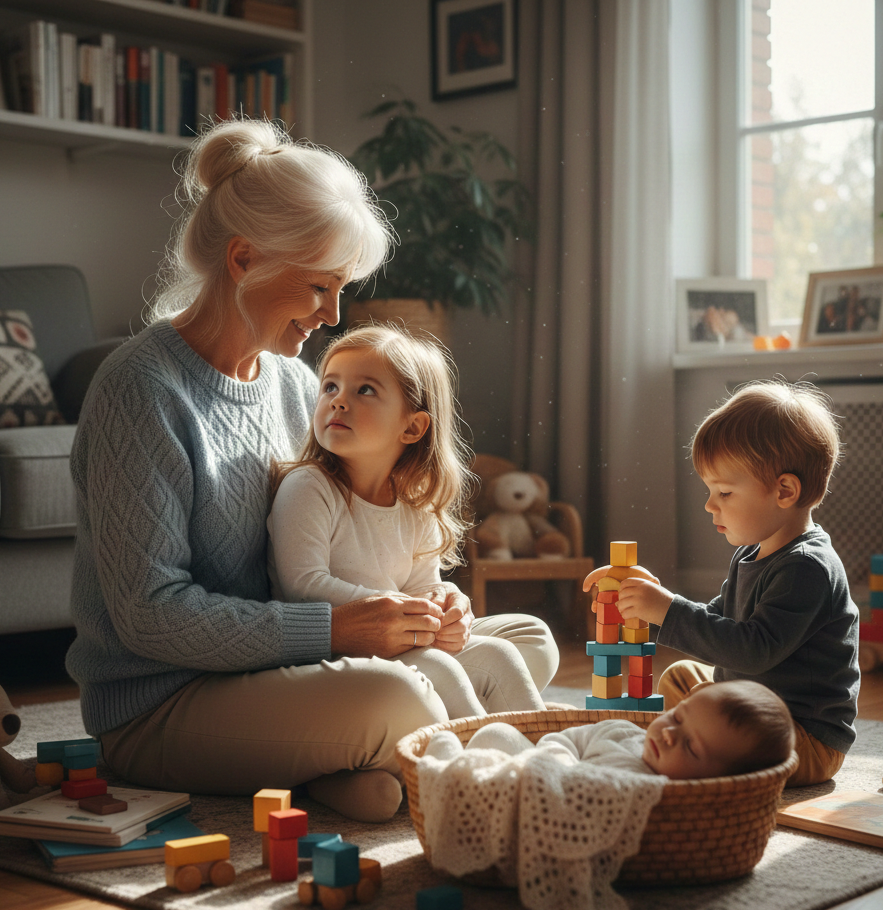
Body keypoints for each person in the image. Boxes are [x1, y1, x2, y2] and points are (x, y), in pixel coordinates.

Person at [65, 117, 559, 823]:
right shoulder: (139, 391)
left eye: (339, 290)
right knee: (399, 697)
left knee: (519, 644)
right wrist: (337, 633)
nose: (331, 315)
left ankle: (333, 766)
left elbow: (352, 535)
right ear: (243, 260)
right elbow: (150, 618)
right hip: (163, 703)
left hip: (275, 672)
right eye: (318, 288)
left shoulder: (298, 386)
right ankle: (455, 777)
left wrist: (430, 607)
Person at [267, 324, 552, 720]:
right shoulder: (308, 486)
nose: (338, 401)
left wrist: (449, 606)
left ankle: (537, 750)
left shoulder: (415, 505)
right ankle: (480, 758)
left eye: (364, 390)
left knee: (523, 642)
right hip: (330, 656)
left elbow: (424, 585)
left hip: (403, 640)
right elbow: (302, 586)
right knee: (441, 670)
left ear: (413, 427)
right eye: (330, 387)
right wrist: (403, 612)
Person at [616, 379, 860, 787]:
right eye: (710, 490)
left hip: (801, 734)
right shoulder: (753, 552)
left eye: (725, 492)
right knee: (681, 676)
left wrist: (667, 608)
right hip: (747, 710)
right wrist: (652, 606)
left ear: (784, 490)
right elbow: (718, 618)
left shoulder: (807, 568)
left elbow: (752, 650)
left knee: (707, 707)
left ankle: (694, 764)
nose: (710, 504)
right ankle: (691, 752)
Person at [440, 678, 796, 780]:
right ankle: (448, 774)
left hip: (534, 803)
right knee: (493, 735)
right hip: (538, 770)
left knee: (466, 771)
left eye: (691, 747)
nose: (669, 733)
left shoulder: (649, 793)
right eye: (677, 717)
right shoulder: (626, 732)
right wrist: (556, 760)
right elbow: (571, 736)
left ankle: (449, 781)